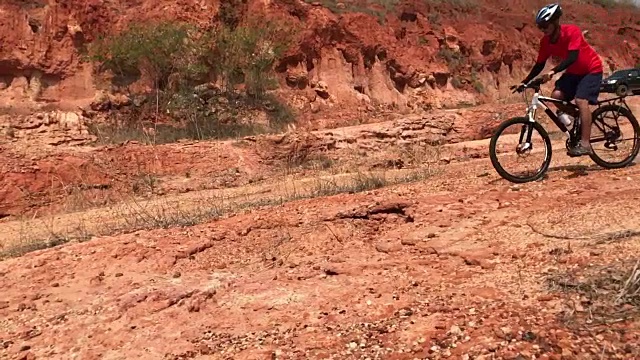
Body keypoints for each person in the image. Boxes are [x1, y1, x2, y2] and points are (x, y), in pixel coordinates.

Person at [517, 3, 604, 157]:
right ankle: (580, 117)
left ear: (555, 23)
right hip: (574, 73)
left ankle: (585, 144)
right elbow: (539, 64)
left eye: (545, 26)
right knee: (556, 96)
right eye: (540, 27)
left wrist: (553, 71)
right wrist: (525, 81)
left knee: (581, 100)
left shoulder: (572, 32)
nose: (543, 30)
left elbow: (573, 57)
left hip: (591, 70)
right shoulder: (545, 42)